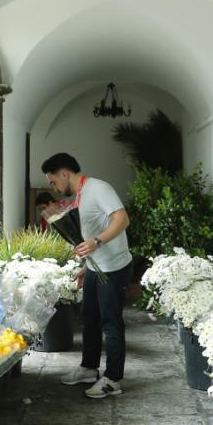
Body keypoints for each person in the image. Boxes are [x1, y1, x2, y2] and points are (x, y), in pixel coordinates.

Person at [41, 152, 133, 399]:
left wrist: (96, 242)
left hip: (113, 267)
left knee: (111, 324)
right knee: (89, 319)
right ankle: (89, 369)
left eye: (53, 181)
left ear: (64, 173)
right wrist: (87, 265)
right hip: (96, 266)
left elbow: (122, 219)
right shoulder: (81, 194)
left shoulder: (98, 188)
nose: (54, 188)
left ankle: (113, 380)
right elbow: (94, 226)